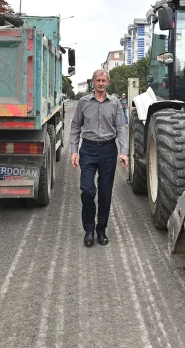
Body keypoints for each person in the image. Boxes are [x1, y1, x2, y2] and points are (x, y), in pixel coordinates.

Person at [70, 69, 129, 247]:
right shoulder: (83, 102)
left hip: (108, 150)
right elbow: (75, 126)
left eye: (104, 80)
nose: (101, 83)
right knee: (88, 190)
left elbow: (121, 127)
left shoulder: (115, 103)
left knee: (105, 192)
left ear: (108, 83)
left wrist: (124, 151)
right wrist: (74, 151)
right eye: (98, 80)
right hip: (88, 149)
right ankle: (89, 230)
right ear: (93, 82)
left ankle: (101, 229)